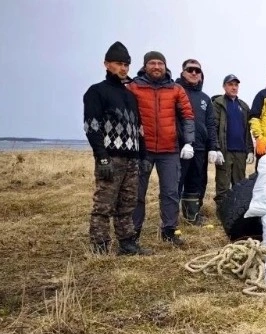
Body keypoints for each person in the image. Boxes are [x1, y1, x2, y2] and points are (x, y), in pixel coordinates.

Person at [82, 41, 152, 256]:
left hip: (131, 159)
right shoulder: (96, 92)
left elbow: (138, 129)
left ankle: (127, 244)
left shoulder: (130, 96)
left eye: (126, 65)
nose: (123, 68)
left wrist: (142, 157)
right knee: (104, 205)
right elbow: (92, 128)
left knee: (127, 204)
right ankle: (100, 246)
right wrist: (102, 158)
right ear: (106, 64)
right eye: (118, 64)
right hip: (111, 158)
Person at [128, 50, 195, 245]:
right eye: (152, 63)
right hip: (142, 151)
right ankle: (133, 233)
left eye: (160, 63)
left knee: (170, 192)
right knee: (137, 193)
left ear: (165, 66)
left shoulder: (175, 89)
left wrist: (189, 142)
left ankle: (169, 231)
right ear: (145, 66)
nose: (156, 67)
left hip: (170, 150)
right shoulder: (133, 87)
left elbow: (187, 116)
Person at [175, 58, 219, 226]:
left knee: (197, 182)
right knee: (176, 183)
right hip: (180, 148)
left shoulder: (205, 98)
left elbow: (211, 124)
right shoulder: (175, 91)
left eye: (197, 70)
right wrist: (183, 141)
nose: (194, 73)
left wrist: (213, 148)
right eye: (190, 70)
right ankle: (171, 220)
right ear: (183, 72)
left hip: (200, 148)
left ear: (201, 75)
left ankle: (192, 216)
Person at [212, 74, 253, 205]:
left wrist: (250, 150)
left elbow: (247, 130)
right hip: (225, 151)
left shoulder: (244, 106)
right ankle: (221, 212)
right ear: (224, 86)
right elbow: (213, 126)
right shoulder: (218, 103)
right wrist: (216, 148)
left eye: (236, 85)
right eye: (230, 84)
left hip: (240, 151)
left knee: (239, 185)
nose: (234, 87)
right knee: (223, 184)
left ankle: (236, 214)